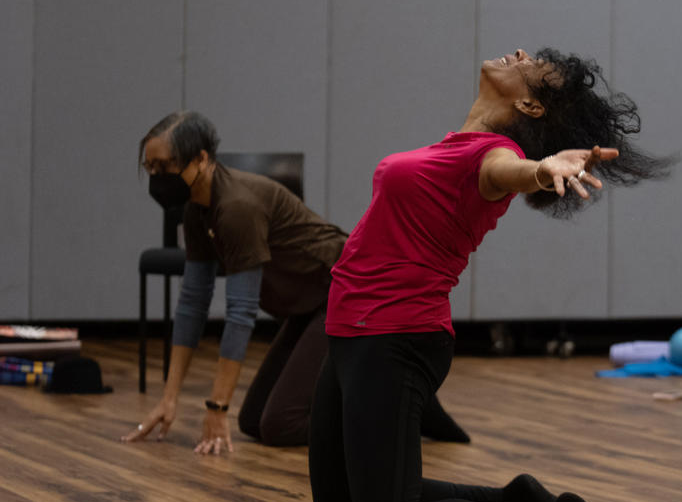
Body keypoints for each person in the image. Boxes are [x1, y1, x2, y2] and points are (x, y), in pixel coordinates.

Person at [308, 48, 673, 502]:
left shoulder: (490, 156)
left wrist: (544, 170)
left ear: (530, 106)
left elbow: (513, 172)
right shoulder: (460, 144)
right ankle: (514, 498)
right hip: (350, 331)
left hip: (395, 337)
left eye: (534, 67)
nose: (521, 53)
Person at [121, 111, 470, 453]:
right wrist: (169, 399)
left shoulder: (236, 207)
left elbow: (240, 312)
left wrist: (217, 408)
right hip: (309, 303)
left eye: (164, 166)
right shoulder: (196, 211)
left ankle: (392, 415)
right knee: (254, 421)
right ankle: (391, 406)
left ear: (200, 158)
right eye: (150, 168)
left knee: (281, 424)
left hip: (348, 293)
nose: (157, 177)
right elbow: (192, 303)